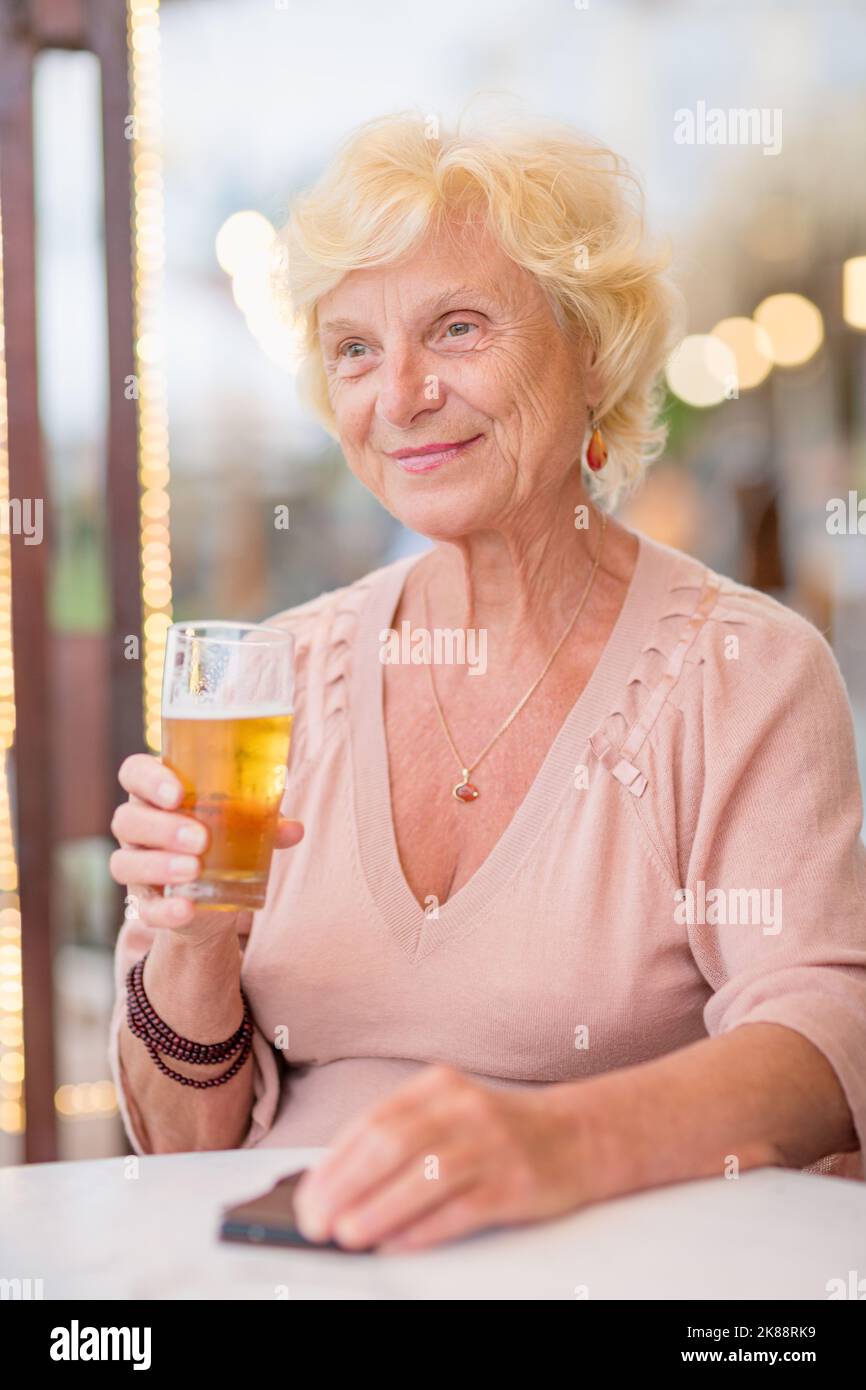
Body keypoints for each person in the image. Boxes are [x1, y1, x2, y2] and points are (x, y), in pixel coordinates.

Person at [108, 111, 866, 1256]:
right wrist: (195, 939)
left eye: (454, 329)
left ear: (592, 351)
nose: (399, 394)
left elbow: (828, 1034)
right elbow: (181, 1150)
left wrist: (553, 1141)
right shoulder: (273, 676)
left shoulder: (740, 670)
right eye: (354, 349)